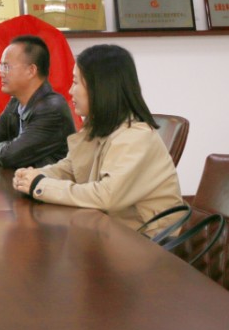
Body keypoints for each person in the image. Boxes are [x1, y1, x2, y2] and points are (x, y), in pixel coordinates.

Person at [13, 44, 182, 234]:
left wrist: (41, 186)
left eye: (76, 82)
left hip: (149, 241)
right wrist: (35, 175)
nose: (70, 91)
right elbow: (71, 168)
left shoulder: (136, 136)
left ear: (100, 87)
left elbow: (106, 196)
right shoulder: (101, 125)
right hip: (113, 230)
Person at [0, 35, 75, 168]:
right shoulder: (16, 103)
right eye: (1, 67)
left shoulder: (52, 108)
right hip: (21, 179)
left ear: (31, 71)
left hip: (50, 181)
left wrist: (3, 152)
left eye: (7, 67)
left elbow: (10, 157)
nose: (1, 73)